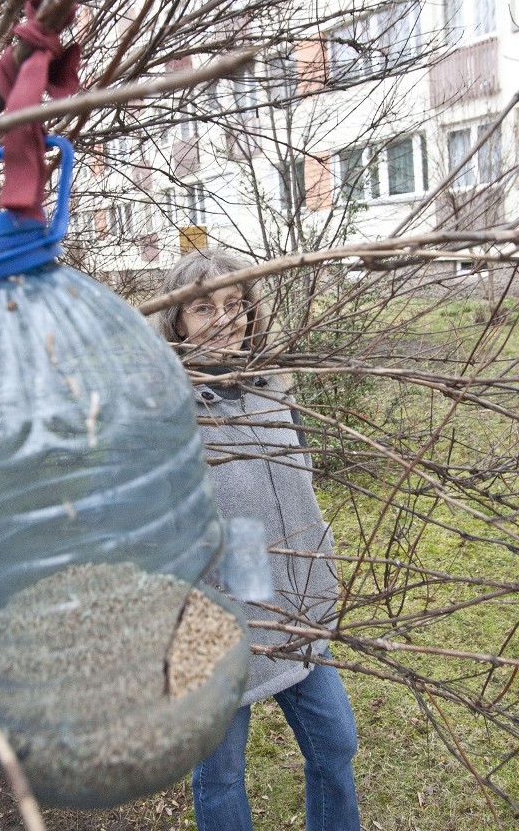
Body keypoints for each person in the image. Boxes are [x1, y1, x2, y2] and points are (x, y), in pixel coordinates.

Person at [156, 247, 360, 831]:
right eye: (202, 308)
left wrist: (318, 564)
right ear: (175, 323)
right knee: (219, 775)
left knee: (336, 744)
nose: (225, 319)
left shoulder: (274, 389)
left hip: (294, 606)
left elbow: (301, 487)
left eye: (236, 304)